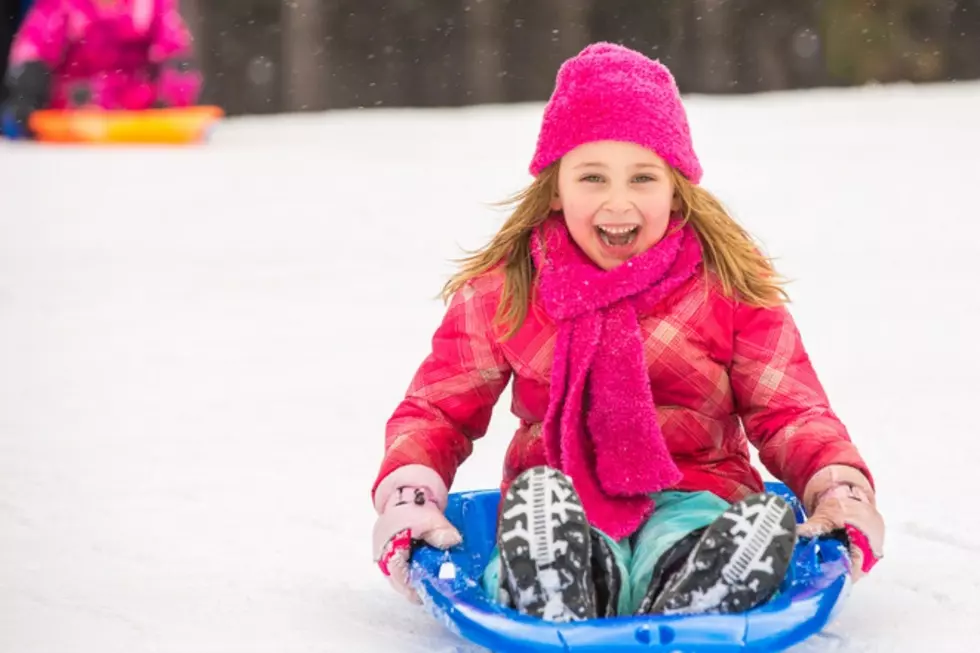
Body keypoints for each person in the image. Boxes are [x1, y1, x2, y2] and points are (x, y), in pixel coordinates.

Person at [370, 42, 885, 622]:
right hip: (559, 500)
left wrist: (837, 487)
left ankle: (704, 573)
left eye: (643, 177)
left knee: (689, 527)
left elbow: (790, 410)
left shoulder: (725, 284)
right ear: (556, 189)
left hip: (700, 492)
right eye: (592, 177)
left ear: (676, 187)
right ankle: (552, 573)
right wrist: (410, 497)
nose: (619, 202)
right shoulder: (509, 288)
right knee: (556, 525)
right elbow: (437, 409)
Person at [1, 0, 201, 138]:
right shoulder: (63, 5)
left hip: (138, 114)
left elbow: (176, 54)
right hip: (75, 113)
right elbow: (35, 50)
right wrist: (27, 95)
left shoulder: (148, 5)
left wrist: (171, 100)